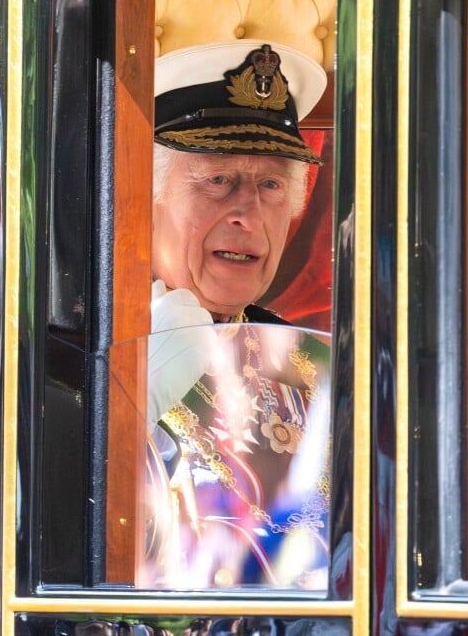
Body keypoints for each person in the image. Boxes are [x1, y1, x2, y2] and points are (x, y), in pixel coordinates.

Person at [142, 41, 332, 592]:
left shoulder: (316, 363)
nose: (247, 214)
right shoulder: (32, 359)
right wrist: (120, 406)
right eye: (217, 179)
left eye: (271, 185)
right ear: (140, 194)